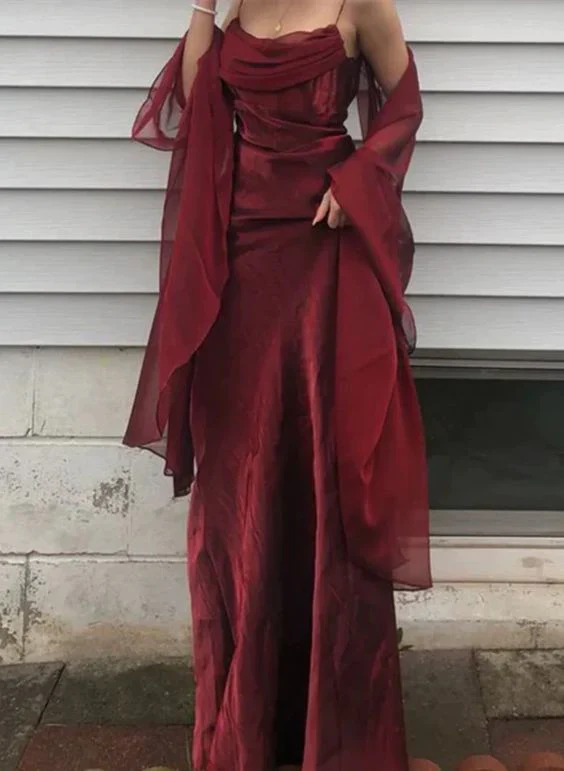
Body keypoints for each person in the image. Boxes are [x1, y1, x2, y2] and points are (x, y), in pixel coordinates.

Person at [124, 0, 432, 768]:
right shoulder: (236, 8)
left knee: (322, 471)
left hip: (322, 256)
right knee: (238, 483)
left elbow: (405, 107)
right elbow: (197, 103)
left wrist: (359, 181)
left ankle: (330, 729)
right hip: (239, 264)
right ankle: (249, 719)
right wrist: (204, 6)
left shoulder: (362, 5)